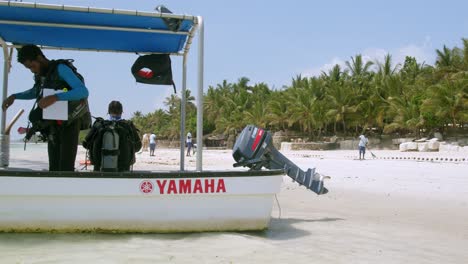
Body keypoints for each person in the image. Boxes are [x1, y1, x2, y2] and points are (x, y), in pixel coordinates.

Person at [2, 45, 90, 171]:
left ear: (39, 58)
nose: (32, 70)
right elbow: (35, 92)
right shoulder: (41, 75)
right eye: (29, 68)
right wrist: (15, 96)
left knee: (65, 168)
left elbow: (83, 91)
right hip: (53, 125)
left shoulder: (61, 69)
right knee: (53, 168)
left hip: (70, 123)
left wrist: (55, 97)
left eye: (32, 66)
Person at [83, 101, 141, 171]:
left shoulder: (99, 125)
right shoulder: (128, 126)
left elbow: (85, 144)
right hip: (123, 169)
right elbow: (138, 147)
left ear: (108, 111)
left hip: (99, 169)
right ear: (122, 111)